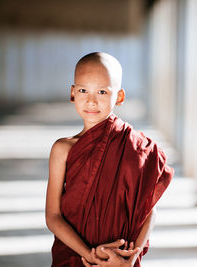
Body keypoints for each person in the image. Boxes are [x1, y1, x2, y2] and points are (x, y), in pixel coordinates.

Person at [45, 52, 174, 267]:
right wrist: (88, 253)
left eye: (102, 91)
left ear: (120, 97)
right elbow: (53, 216)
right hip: (74, 256)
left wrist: (132, 257)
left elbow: (148, 210)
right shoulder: (63, 149)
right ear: (72, 93)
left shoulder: (135, 147)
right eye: (83, 90)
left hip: (120, 260)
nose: (92, 100)